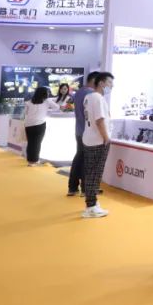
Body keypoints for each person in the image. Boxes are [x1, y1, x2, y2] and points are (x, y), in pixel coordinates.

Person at [80, 72, 114, 219]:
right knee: (95, 173)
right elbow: (99, 120)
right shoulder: (98, 98)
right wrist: (106, 137)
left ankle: (91, 202)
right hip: (98, 140)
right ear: (101, 83)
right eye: (110, 83)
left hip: (89, 138)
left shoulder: (89, 97)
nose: (112, 86)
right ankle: (91, 206)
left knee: (91, 172)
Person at [68, 73, 97, 197]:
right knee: (87, 160)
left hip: (79, 131)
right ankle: (86, 188)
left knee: (79, 158)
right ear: (94, 80)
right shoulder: (91, 94)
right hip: (88, 132)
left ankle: (73, 187)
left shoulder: (79, 92)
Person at [24, 86, 59, 166]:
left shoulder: (29, 102)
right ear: (44, 93)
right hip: (39, 124)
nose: (48, 93)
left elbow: (26, 112)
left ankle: (30, 160)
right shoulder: (47, 101)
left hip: (28, 124)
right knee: (37, 143)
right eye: (47, 92)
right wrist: (47, 110)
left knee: (30, 142)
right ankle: (34, 161)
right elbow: (57, 107)